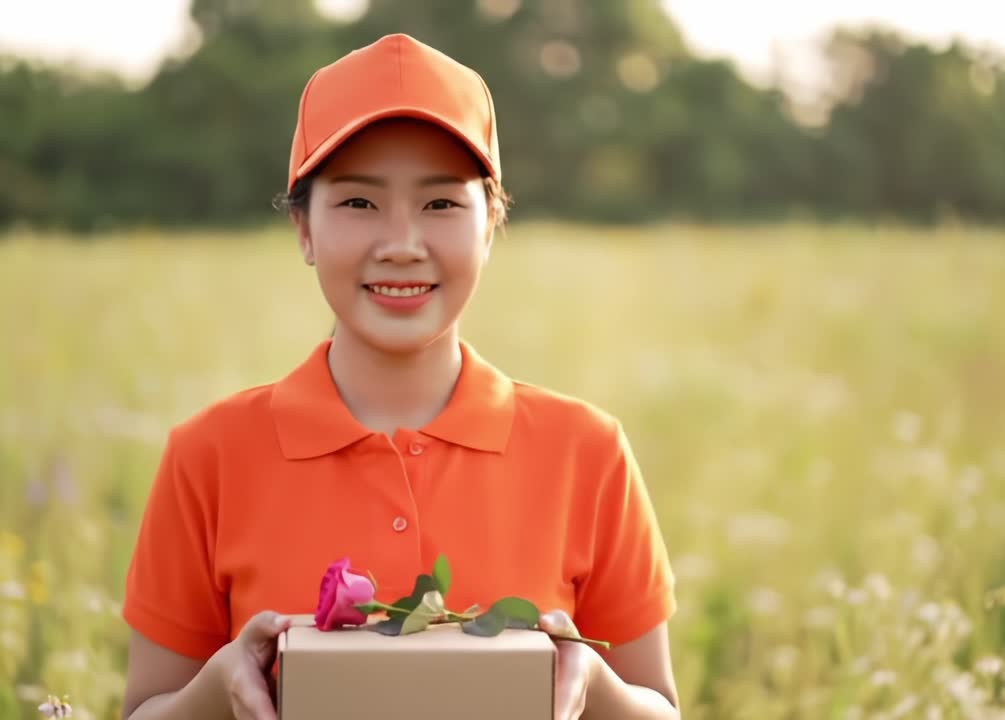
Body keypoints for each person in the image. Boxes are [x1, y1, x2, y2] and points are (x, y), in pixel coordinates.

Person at [119, 33, 680, 720]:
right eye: (358, 203)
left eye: (441, 205)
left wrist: (593, 686)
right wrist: (220, 684)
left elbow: (659, 707)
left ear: (490, 224)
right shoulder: (208, 455)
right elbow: (146, 709)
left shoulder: (586, 450)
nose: (402, 245)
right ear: (303, 229)